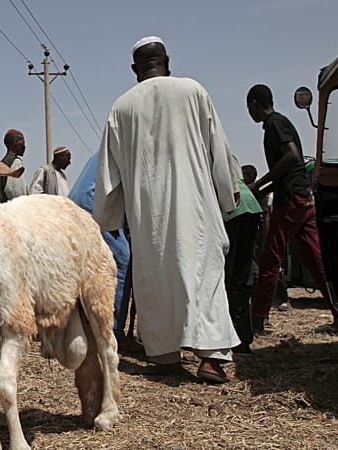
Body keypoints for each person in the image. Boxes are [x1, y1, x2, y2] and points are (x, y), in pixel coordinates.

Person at [94, 36, 241, 383]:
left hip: (149, 218)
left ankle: (164, 356)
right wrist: (228, 193)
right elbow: (218, 148)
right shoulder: (193, 91)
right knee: (204, 275)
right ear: (167, 61)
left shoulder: (121, 107)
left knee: (155, 279)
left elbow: (108, 172)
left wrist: (109, 218)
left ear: (134, 69)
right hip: (197, 209)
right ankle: (211, 359)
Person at [245, 84, 338, 335]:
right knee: (315, 260)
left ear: (255, 104)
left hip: (291, 201)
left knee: (270, 259)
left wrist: (260, 183)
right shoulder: (281, 122)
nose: (249, 113)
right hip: (303, 197)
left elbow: (292, 157)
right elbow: (291, 169)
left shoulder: (274, 123)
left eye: (249, 107)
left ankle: (257, 320)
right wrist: (262, 190)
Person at [68, 152, 142, 354]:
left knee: (86, 268)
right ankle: (114, 332)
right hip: (95, 204)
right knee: (121, 262)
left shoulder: (105, 150)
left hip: (80, 204)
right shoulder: (126, 151)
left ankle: (80, 327)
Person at [222, 158, 263, 354]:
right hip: (250, 206)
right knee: (242, 275)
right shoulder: (225, 151)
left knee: (226, 277)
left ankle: (228, 336)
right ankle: (243, 338)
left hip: (231, 207)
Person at [0, 129, 28, 202]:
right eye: (23, 142)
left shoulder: (0, 164)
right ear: (16, 142)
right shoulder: (16, 163)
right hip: (9, 208)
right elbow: (17, 193)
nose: (24, 146)